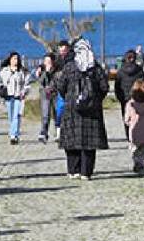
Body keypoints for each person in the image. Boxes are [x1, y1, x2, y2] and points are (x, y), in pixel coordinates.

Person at [56, 38, 109, 180]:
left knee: (71, 139)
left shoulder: (69, 67)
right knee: (89, 142)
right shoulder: (95, 67)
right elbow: (105, 87)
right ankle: (86, 172)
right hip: (92, 109)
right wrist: (95, 100)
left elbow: (61, 86)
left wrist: (69, 98)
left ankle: (73, 170)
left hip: (72, 108)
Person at [0, 51, 30, 145]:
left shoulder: (22, 71)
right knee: (11, 117)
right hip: (8, 97)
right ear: (10, 60)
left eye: (17, 59)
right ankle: (15, 134)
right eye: (14, 58)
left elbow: (27, 84)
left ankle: (13, 135)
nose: (16, 60)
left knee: (16, 116)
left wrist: (24, 92)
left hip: (19, 97)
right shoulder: (4, 71)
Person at [114, 49, 144, 139]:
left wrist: (119, 97)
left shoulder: (120, 72)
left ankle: (128, 134)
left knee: (126, 116)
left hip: (124, 97)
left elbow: (117, 86)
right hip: (137, 97)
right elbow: (143, 84)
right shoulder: (139, 70)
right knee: (138, 115)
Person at [52, 40, 73, 140]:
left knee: (71, 110)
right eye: (61, 50)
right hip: (60, 88)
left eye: (64, 50)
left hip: (72, 88)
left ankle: (70, 131)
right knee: (60, 109)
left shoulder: (73, 58)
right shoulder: (57, 59)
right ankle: (59, 131)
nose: (63, 52)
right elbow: (51, 68)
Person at [35, 53, 58, 143]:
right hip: (45, 93)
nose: (47, 63)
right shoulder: (42, 70)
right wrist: (45, 72)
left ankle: (58, 132)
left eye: (49, 61)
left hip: (55, 93)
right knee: (45, 114)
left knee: (57, 113)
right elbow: (41, 82)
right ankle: (44, 132)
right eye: (45, 61)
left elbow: (57, 81)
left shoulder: (57, 70)